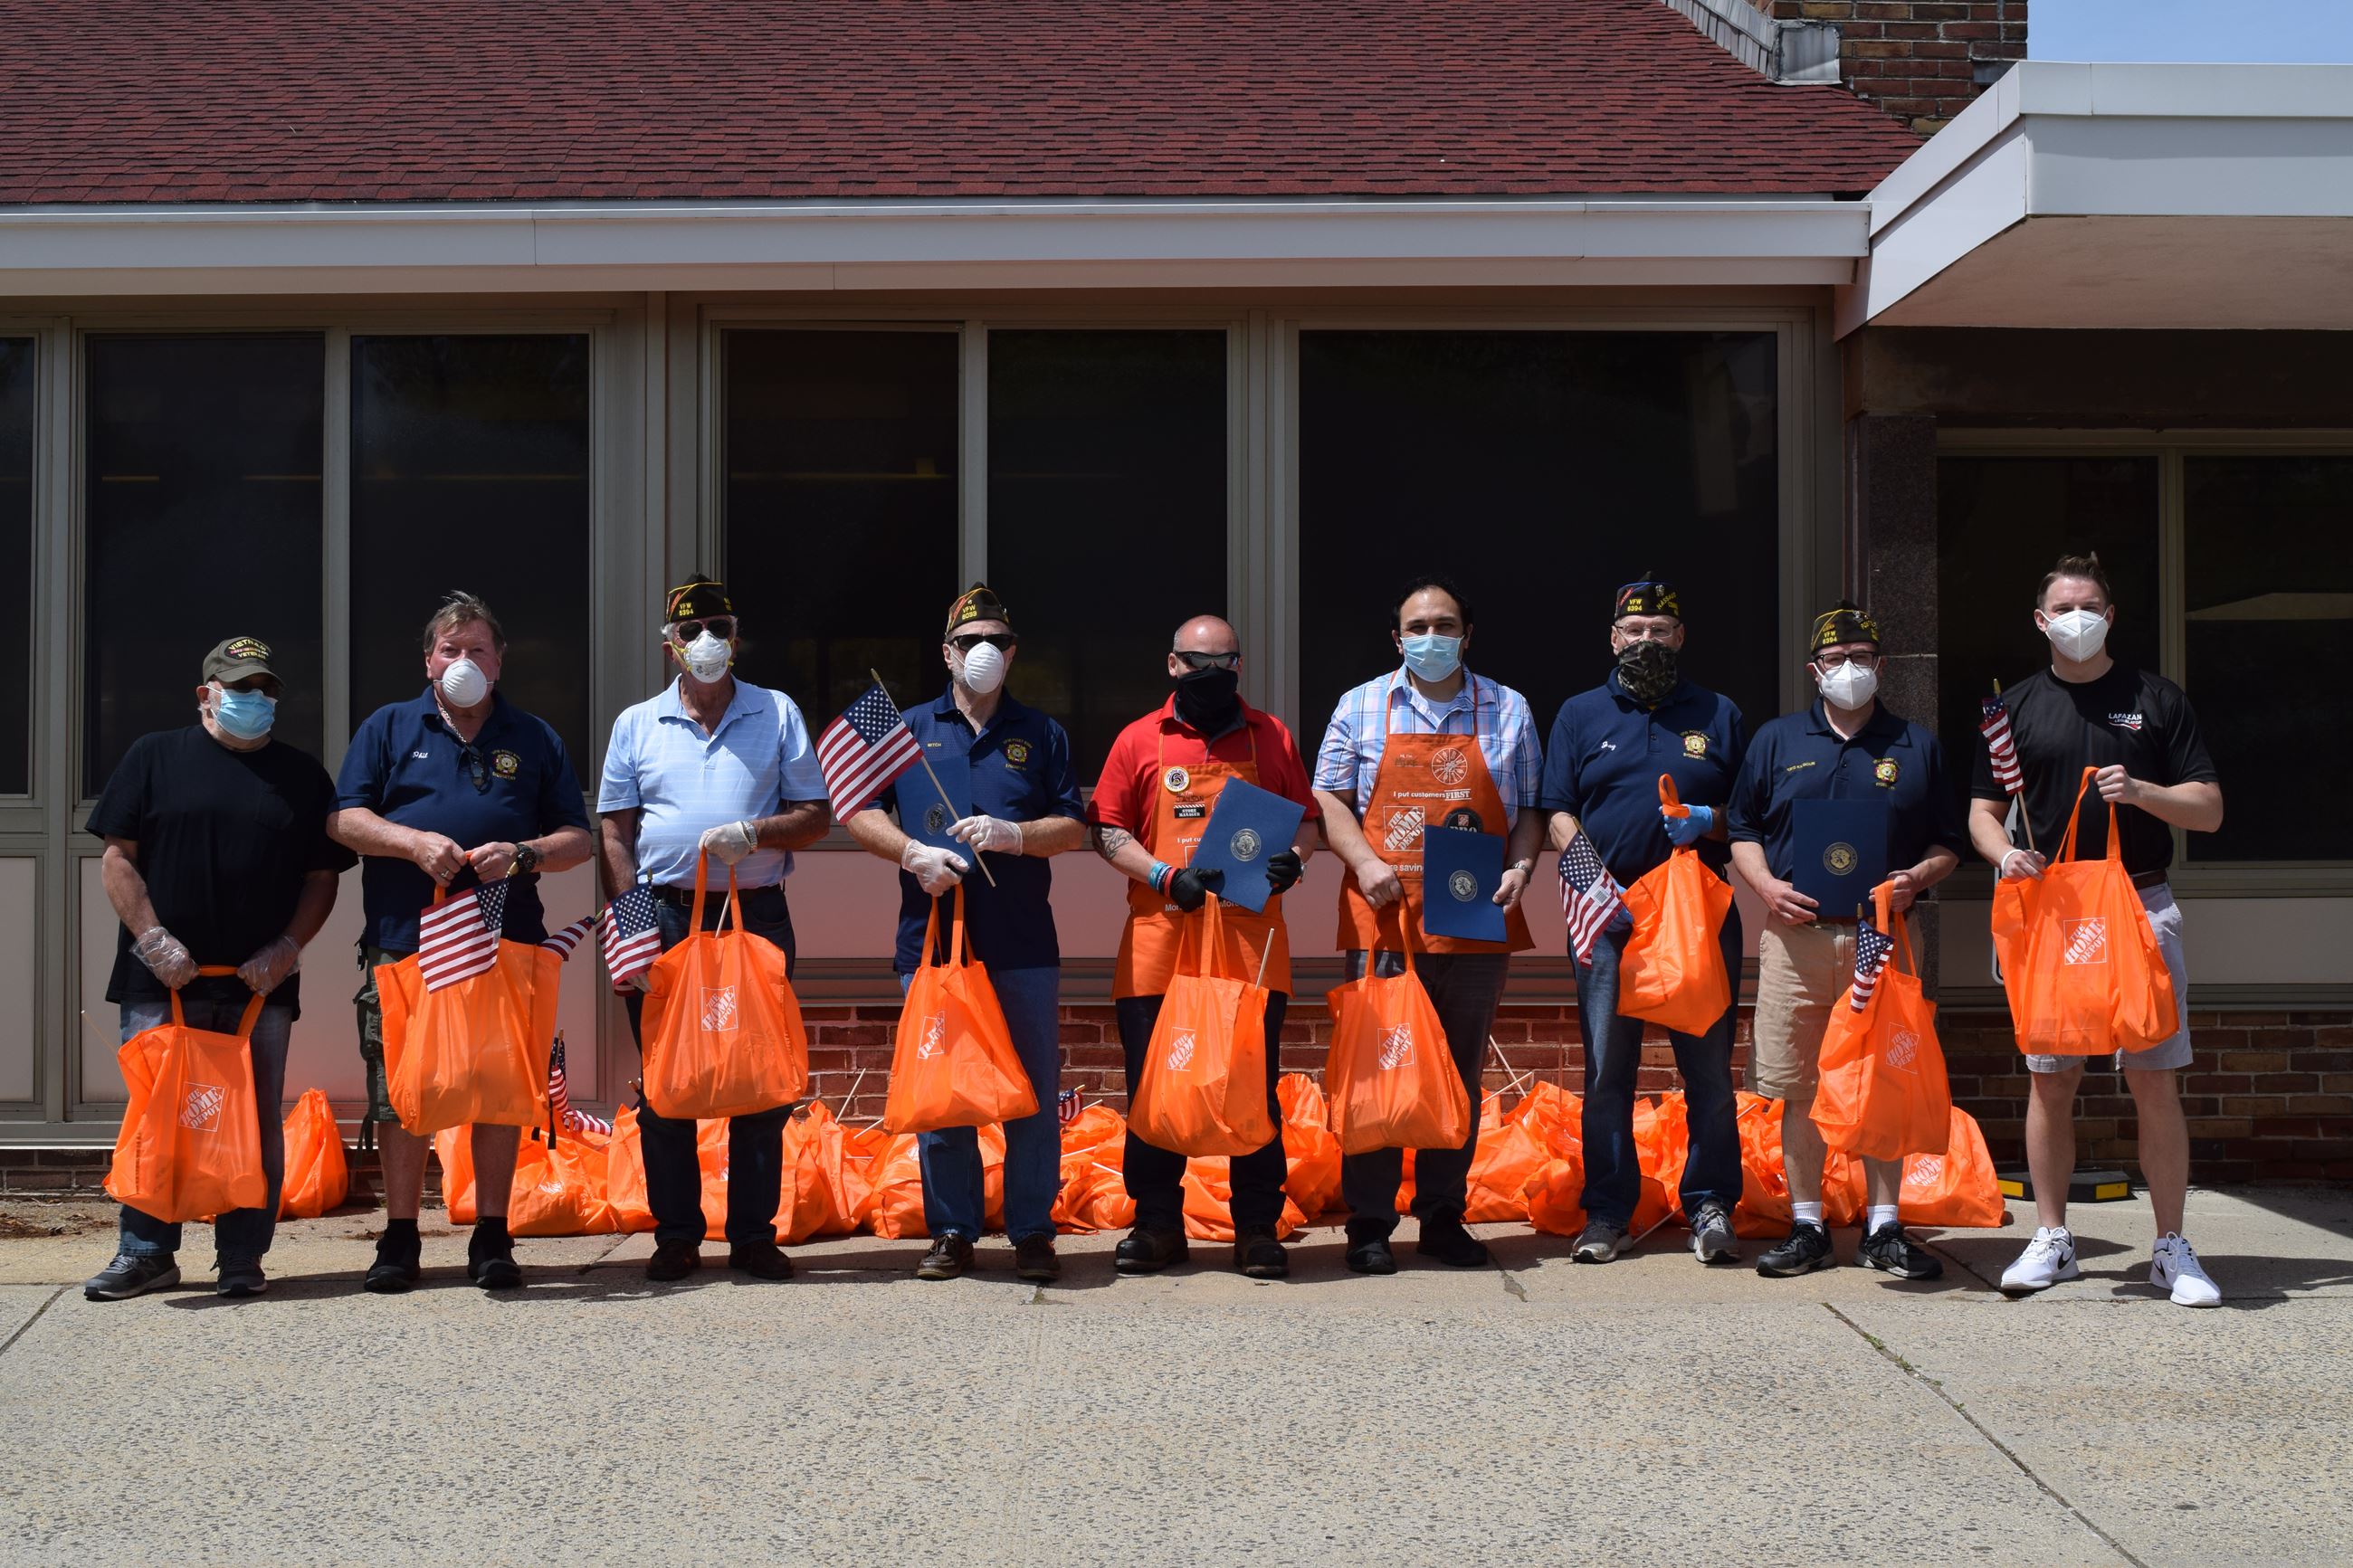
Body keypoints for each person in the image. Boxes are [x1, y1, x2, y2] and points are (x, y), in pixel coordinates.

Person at [1970, 553, 2224, 1307]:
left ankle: (2170, 1245)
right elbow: (1983, 812)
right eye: (2062, 607)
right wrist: (2004, 850)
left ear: (2109, 617)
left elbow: (2208, 809)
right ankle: (2052, 1236)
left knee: (2154, 1077)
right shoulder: (2011, 708)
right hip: (2053, 911)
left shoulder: (2155, 699)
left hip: (2142, 906)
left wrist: (2143, 790)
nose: (2076, 618)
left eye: (2090, 606)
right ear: (2041, 620)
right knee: (2051, 1078)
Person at [329, 592, 595, 1294]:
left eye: (478, 649)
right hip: (405, 945)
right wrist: (412, 842)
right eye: (451, 649)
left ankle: (492, 1234)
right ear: (428, 661)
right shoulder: (388, 728)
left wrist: (526, 853)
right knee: (402, 1094)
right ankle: (400, 1236)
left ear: (499, 661)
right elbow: (345, 820)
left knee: (499, 1091)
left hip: (505, 943)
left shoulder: (534, 737)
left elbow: (580, 839)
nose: (464, 661)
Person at [82, 637, 350, 1301]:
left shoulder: (300, 775)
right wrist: (153, 939)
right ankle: (145, 1250)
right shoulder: (154, 756)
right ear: (207, 693)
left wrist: (288, 946)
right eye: (241, 686)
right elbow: (118, 858)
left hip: (259, 985)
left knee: (253, 1118)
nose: (255, 700)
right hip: (161, 979)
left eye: (265, 689)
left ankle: (241, 1255)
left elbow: (322, 876)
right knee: (158, 1114)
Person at [843, 584, 1088, 1282]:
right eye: (971, 640)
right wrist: (908, 852)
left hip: (1021, 941)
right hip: (930, 941)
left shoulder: (1042, 733)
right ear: (946, 652)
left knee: (1033, 1094)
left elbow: (1072, 825)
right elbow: (858, 811)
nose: (986, 651)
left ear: (1013, 655)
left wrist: (1015, 834)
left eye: (999, 641)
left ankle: (1032, 1230)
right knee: (943, 1094)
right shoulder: (907, 727)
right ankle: (952, 1229)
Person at [597, 575, 831, 1283]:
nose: (708, 642)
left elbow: (816, 814)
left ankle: (754, 1236)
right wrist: (629, 920)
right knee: (669, 1081)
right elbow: (614, 829)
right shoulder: (636, 723)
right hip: (662, 917)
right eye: (693, 630)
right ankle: (676, 1236)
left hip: (752, 913)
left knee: (757, 1078)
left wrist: (756, 830)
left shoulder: (776, 711)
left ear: (736, 637)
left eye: (721, 627)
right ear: (670, 646)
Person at [1727, 603, 1966, 1280]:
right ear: (1814, 670)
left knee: (1884, 1079)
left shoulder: (1916, 745)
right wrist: (1767, 886)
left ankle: (1883, 1228)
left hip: (1883, 938)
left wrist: (1918, 875)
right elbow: (1741, 827)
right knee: (1800, 1085)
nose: (1850, 669)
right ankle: (1807, 1224)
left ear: (1882, 666)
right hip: (1796, 940)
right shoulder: (1776, 741)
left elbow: (1949, 842)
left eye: (1862, 657)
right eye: (1836, 660)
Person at [1313, 576, 1542, 1275]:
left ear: (1467, 635)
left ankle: (1444, 1214)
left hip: (1475, 915)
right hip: (1385, 914)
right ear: (1397, 637)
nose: (1431, 636)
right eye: (1418, 626)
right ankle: (1371, 1221)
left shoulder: (1508, 707)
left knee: (1460, 1072)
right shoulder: (1359, 705)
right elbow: (1327, 795)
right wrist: (1362, 859)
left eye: (1445, 624)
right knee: (1377, 1070)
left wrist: (1522, 870)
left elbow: (1530, 806)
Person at [1090, 614, 1319, 1279]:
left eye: (1222, 665)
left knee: (1252, 1089)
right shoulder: (1139, 740)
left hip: (1251, 947)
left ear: (1237, 666)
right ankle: (1157, 1223)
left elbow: (1306, 818)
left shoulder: (1269, 735)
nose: (1209, 677)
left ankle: (1255, 1226)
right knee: (1154, 1088)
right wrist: (1163, 875)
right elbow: (1106, 830)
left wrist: (1294, 864)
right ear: (1172, 665)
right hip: (1159, 945)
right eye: (1197, 664)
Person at [1540, 576, 1748, 1266]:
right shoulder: (1579, 713)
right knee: (1605, 1073)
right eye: (1634, 631)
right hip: (1611, 916)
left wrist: (1708, 820)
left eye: (1660, 630)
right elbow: (1557, 809)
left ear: (1680, 637)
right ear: (1613, 638)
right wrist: (1588, 877)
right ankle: (1607, 1212)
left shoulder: (1719, 713)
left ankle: (1711, 1203)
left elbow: (1750, 816)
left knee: (1710, 1071)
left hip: (1695, 917)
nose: (1647, 640)